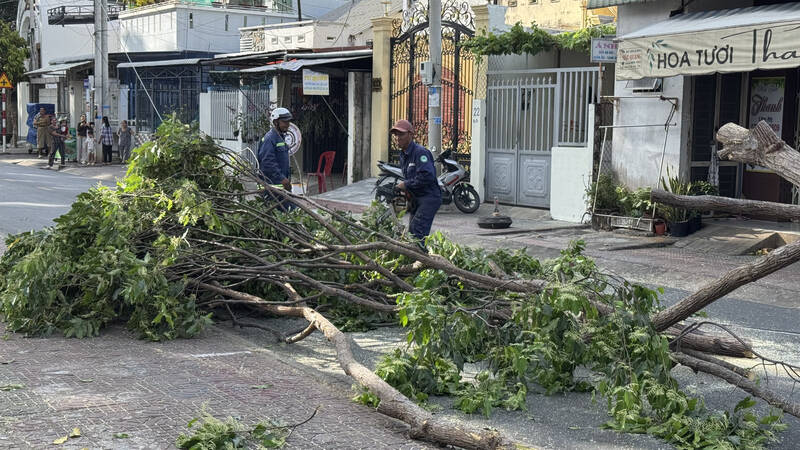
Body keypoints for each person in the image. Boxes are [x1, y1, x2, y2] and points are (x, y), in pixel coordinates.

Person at [392, 119, 441, 245]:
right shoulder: (403, 155)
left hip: (429, 198)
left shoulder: (420, 153)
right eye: (396, 135)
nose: (398, 138)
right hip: (416, 198)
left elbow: (427, 176)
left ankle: (421, 260)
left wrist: (406, 184)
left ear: (410, 134)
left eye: (401, 134)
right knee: (411, 233)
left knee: (417, 233)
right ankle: (416, 258)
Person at [257, 107, 293, 192]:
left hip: (281, 187)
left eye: (288, 122)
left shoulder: (281, 137)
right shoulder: (269, 139)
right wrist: (282, 179)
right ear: (275, 122)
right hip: (272, 188)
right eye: (284, 122)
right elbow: (267, 162)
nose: (287, 124)